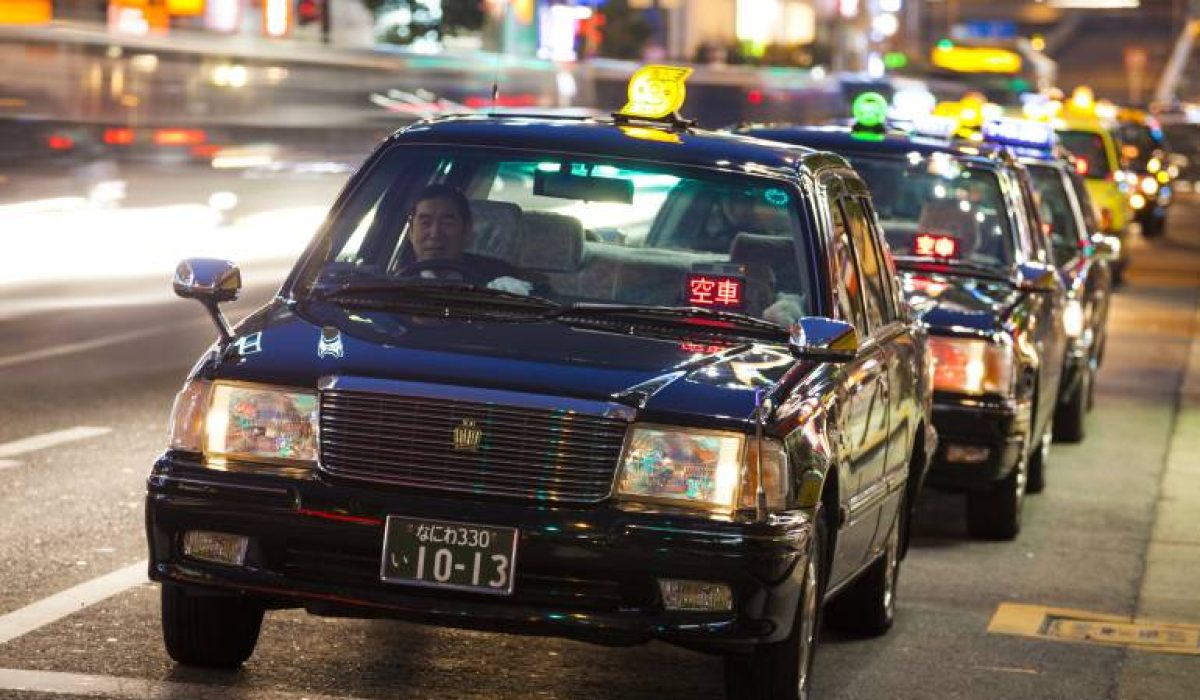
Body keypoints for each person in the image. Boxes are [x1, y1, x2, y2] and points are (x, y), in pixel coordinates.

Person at [399, 184, 533, 294]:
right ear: (410, 232)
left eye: (447, 223)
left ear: (467, 231)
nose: (435, 233)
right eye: (425, 223)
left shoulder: (501, 279)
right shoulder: (394, 282)